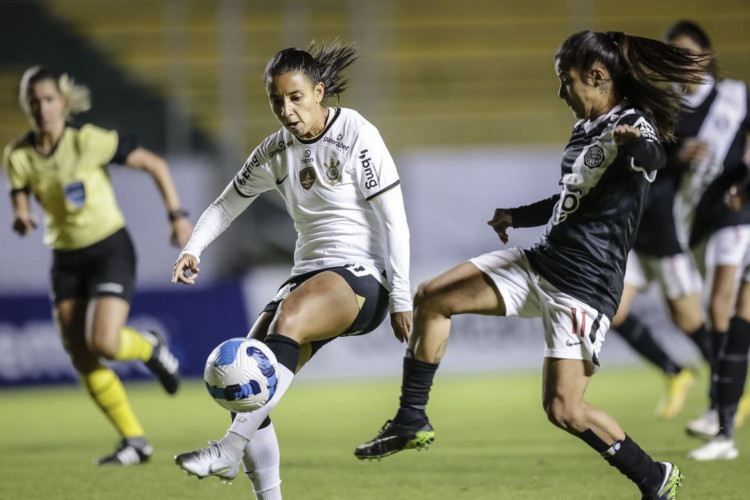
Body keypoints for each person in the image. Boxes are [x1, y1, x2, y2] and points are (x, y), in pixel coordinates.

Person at [354, 30, 706, 499]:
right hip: (542, 261)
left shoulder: (633, 124)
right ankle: (411, 418)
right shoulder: (585, 129)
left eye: (567, 80)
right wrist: (516, 216)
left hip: (584, 285)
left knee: (564, 409)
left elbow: (653, 154)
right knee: (431, 298)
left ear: (598, 76)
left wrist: (633, 145)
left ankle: (655, 478)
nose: (562, 91)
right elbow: (570, 200)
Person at [171, 42, 412, 499]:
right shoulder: (274, 151)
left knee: (289, 320)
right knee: (248, 379)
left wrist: (401, 296)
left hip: (362, 276)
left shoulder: (356, 133)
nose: (286, 110)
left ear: (319, 92)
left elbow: (394, 220)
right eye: (277, 101)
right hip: (308, 273)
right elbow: (226, 205)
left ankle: (228, 451)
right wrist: (193, 248)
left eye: (296, 97)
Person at [3, 66, 192, 465]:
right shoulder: (18, 155)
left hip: (109, 248)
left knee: (104, 342)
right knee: (80, 353)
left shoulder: (89, 141)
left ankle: (150, 347)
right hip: (66, 258)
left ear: (63, 102)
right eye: (33, 101)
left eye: (48, 99)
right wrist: (21, 217)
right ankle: (135, 441)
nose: (42, 108)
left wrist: (176, 215)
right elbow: (20, 199)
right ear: (27, 106)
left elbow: (155, 163)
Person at [659, 21, 750, 443]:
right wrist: (677, 156)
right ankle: (726, 401)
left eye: (687, 51)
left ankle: (721, 409)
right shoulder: (666, 109)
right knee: (723, 314)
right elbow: (654, 166)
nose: (682, 62)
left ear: (707, 53)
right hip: (696, 223)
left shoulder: (735, 97)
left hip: (737, 214)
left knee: (718, 309)